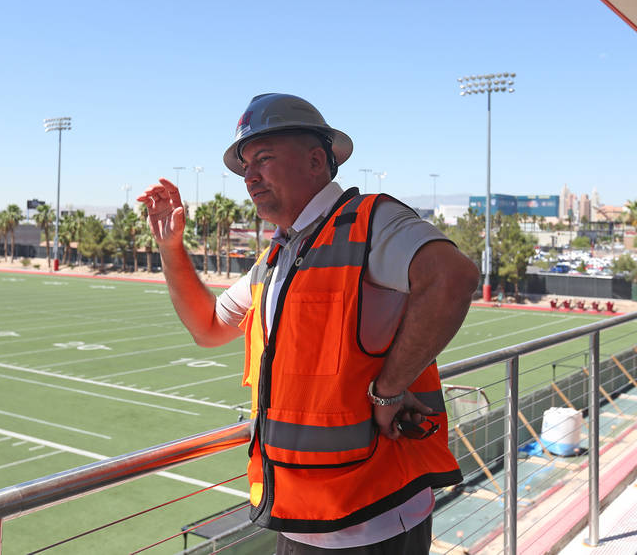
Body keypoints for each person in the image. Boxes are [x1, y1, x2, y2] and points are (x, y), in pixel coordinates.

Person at [139, 93, 479, 553]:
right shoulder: (277, 258)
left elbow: (451, 277)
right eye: (244, 167)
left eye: (264, 159)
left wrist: (389, 388)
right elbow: (207, 328)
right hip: (301, 513)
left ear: (317, 160)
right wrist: (170, 247)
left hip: (373, 518)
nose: (250, 177)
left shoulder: (370, 220)